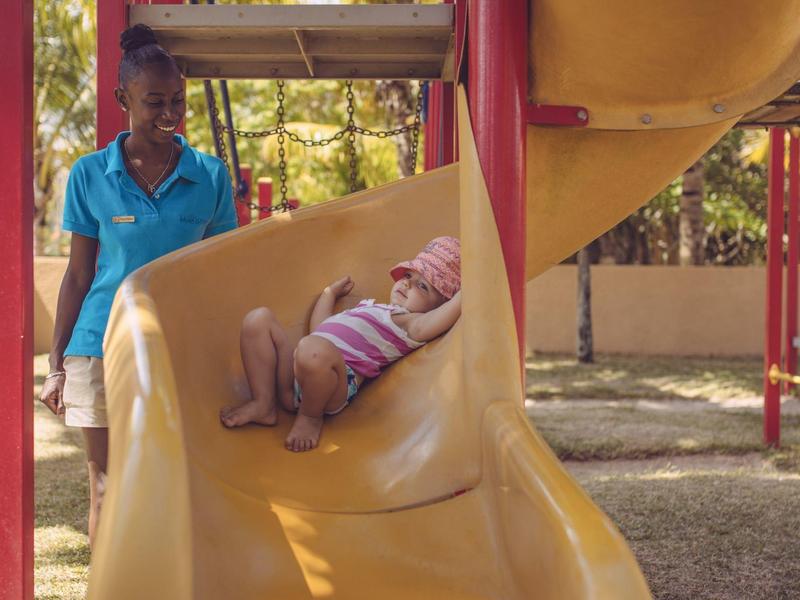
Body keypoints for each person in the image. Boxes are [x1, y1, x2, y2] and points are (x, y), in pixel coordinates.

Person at [38, 24, 238, 548]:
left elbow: (219, 270)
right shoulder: (88, 175)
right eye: (154, 101)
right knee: (104, 485)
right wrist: (56, 365)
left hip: (180, 346)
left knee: (182, 479)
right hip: (98, 347)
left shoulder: (211, 175)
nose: (169, 113)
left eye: (177, 101)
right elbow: (79, 274)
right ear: (121, 99)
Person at [220, 236, 462, 452]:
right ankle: (263, 403)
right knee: (258, 319)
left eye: (423, 286)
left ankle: (310, 417)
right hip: (298, 371)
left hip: (333, 386)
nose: (407, 284)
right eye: (408, 276)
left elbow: (449, 312)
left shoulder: (411, 324)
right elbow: (320, 329)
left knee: (312, 350)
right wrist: (328, 294)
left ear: (438, 306)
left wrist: (472, 285)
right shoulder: (370, 308)